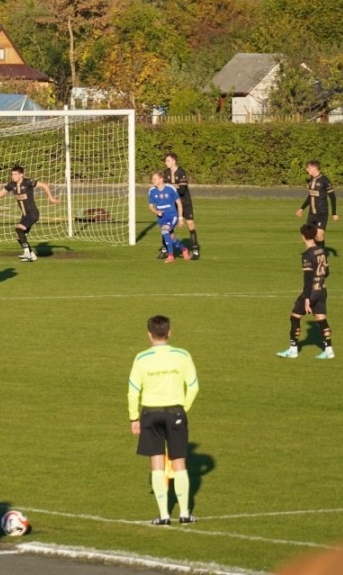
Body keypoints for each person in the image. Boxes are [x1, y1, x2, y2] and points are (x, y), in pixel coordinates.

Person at [127, 315, 200, 526]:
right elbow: (193, 387)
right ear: (169, 332)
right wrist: (183, 408)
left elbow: (133, 391)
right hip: (175, 412)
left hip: (150, 414)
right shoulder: (182, 355)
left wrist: (133, 417)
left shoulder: (141, 358)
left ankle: (164, 516)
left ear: (149, 335)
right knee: (179, 462)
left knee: (157, 463)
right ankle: (184, 514)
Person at [278, 223, 334, 360]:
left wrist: (307, 298)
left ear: (303, 236)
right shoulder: (321, 250)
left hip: (311, 292)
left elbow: (308, 278)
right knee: (321, 319)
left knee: (295, 317)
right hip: (322, 290)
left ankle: (293, 350)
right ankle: (329, 350)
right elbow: (326, 272)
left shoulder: (307, 255)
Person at [0, 164, 59, 262]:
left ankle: (27, 253)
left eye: (15, 174)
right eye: (12, 174)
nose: (13, 176)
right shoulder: (12, 185)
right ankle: (31, 255)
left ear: (21, 175)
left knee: (18, 228)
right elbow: (0, 194)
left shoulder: (28, 182)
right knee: (20, 237)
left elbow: (44, 185)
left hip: (32, 214)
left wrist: (51, 198)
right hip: (25, 216)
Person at [161, 153, 200, 260]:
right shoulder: (165, 173)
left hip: (185, 202)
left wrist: (170, 187)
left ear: (174, 161)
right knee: (166, 225)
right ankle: (164, 250)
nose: (166, 163)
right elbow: (164, 187)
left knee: (190, 224)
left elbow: (182, 190)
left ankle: (195, 251)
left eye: (168, 160)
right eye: (166, 161)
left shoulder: (182, 173)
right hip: (172, 203)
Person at [148, 171, 191, 263]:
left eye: (154, 179)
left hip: (171, 215)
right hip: (161, 218)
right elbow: (150, 206)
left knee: (164, 231)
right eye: (152, 179)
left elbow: (179, 203)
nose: (152, 181)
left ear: (161, 179)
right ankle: (184, 250)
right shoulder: (152, 191)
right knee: (171, 237)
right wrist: (156, 211)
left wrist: (180, 218)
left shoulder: (170, 189)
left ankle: (171, 256)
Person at [295, 160, 338, 248]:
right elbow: (310, 196)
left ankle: (321, 254)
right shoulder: (311, 180)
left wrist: (334, 213)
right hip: (311, 214)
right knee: (308, 236)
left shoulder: (324, 180)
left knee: (319, 236)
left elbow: (333, 197)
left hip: (321, 213)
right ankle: (313, 253)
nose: (307, 169)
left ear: (314, 168)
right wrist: (301, 209)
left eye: (308, 168)